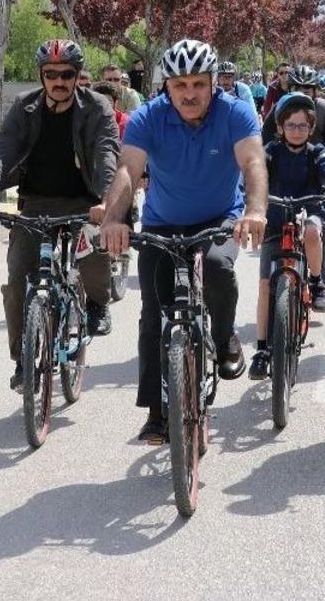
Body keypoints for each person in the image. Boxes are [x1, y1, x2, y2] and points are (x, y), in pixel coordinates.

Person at [100, 38, 267, 443]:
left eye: (198, 84)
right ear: (167, 87)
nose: (190, 94)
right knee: (154, 314)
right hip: (163, 223)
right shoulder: (148, 117)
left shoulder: (237, 113)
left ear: (213, 83)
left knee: (216, 267)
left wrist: (256, 210)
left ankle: (226, 337)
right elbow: (128, 170)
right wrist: (113, 219)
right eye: (180, 86)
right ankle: (157, 414)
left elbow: (253, 161)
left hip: (220, 219)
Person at [0, 39, 120, 393]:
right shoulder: (24, 108)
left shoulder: (97, 108)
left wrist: (105, 200)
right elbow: (1, 154)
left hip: (84, 204)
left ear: (77, 75)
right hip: (35, 206)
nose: (59, 81)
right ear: (41, 76)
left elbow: (106, 154)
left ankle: (97, 303)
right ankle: (23, 360)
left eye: (66, 74)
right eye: (50, 74)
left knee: (92, 248)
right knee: (17, 280)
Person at [249, 92, 325, 379]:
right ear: (280, 127)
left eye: (303, 126)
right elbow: (254, 172)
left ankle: (315, 283)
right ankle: (263, 349)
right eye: (291, 125)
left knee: (314, 231)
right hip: (274, 219)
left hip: (308, 213)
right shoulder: (271, 151)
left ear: (311, 128)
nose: (297, 130)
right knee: (265, 286)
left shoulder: (317, 153)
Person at [261, 64, 325, 162]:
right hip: (284, 163)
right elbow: (265, 139)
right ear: (289, 90)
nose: (300, 96)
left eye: (306, 93)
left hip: (316, 164)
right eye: (296, 91)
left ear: (315, 92)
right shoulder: (278, 108)